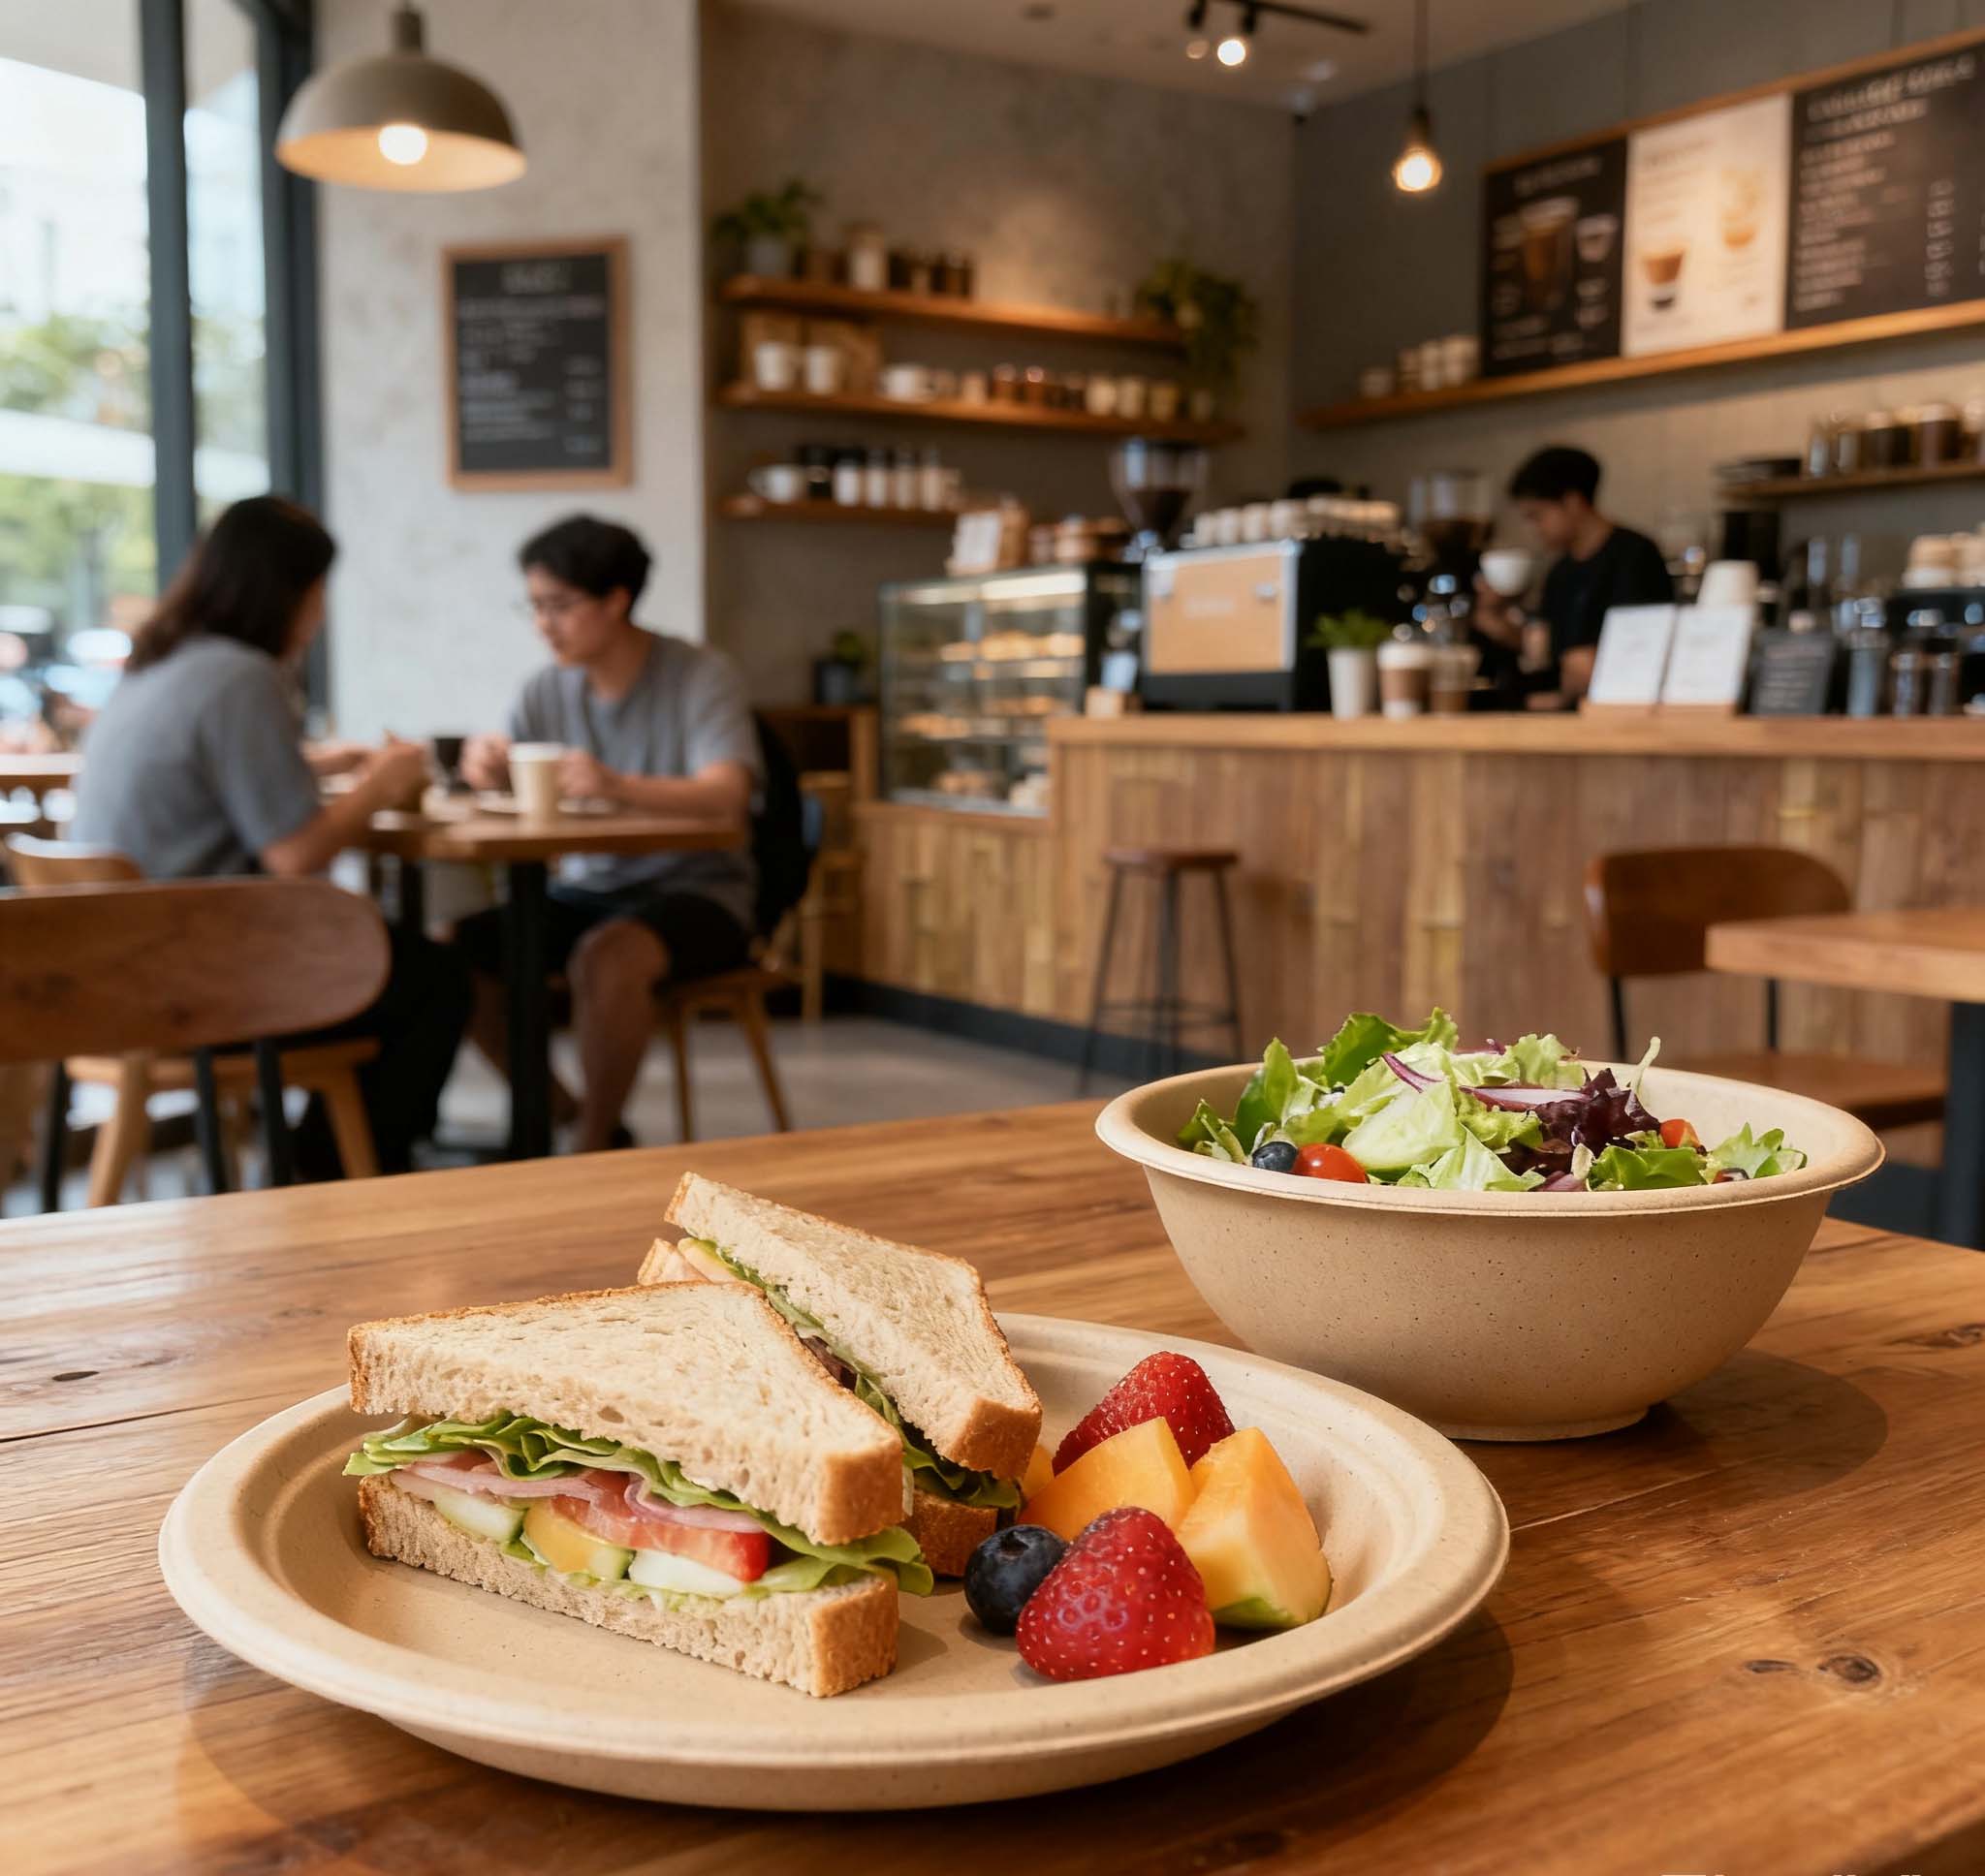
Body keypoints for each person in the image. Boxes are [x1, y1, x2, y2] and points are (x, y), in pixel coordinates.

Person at [70, 496, 472, 1176]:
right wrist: (383, 784)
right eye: (318, 593)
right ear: (288, 593)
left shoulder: (163, 662)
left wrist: (323, 765)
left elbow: (210, 779)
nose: (320, 614)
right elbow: (295, 854)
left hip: (113, 971)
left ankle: (322, 1172)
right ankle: (330, 1183)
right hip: (192, 983)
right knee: (432, 981)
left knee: (404, 969)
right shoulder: (241, 676)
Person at [457, 515, 759, 1153]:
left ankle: (592, 1149)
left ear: (616, 600)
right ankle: (565, 1112)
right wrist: (487, 767)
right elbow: (513, 780)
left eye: (559, 606)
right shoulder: (546, 688)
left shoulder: (699, 674)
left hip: (701, 890)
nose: (544, 624)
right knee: (453, 955)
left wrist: (617, 784)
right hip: (590, 887)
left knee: (607, 955)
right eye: (535, 606)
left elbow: (727, 796)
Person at [1473, 446, 1673, 705]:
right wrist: (1494, 619)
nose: (1533, 529)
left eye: (1537, 516)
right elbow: (1545, 651)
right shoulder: (1560, 570)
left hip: (1619, 708)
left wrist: (1579, 679)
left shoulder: (1635, 555)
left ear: (1572, 502)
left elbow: (1647, 646)